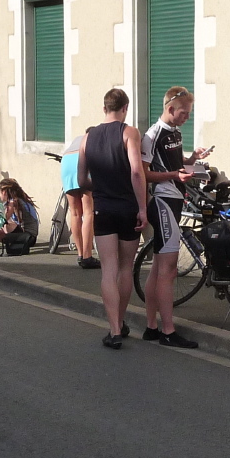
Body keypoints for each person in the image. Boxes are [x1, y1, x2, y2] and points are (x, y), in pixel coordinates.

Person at [140, 87, 212, 349]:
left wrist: (193, 159)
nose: (187, 117)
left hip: (174, 200)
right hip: (162, 202)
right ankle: (168, 331)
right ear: (170, 109)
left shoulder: (175, 133)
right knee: (168, 270)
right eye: (184, 113)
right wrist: (174, 176)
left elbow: (175, 163)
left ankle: (151, 327)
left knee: (159, 268)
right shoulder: (152, 135)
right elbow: (143, 173)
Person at [77, 88, 147, 350]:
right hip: (128, 206)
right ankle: (121, 319)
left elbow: (81, 179)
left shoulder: (87, 137)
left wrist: (100, 187)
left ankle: (114, 329)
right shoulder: (129, 133)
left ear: (104, 108)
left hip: (103, 208)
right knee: (126, 267)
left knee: (108, 268)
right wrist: (143, 207)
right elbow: (137, 172)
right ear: (125, 108)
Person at [62, 130, 100, 269]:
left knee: (75, 213)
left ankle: (80, 254)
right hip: (82, 160)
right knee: (88, 212)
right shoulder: (97, 139)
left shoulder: (78, 138)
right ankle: (87, 256)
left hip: (66, 162)